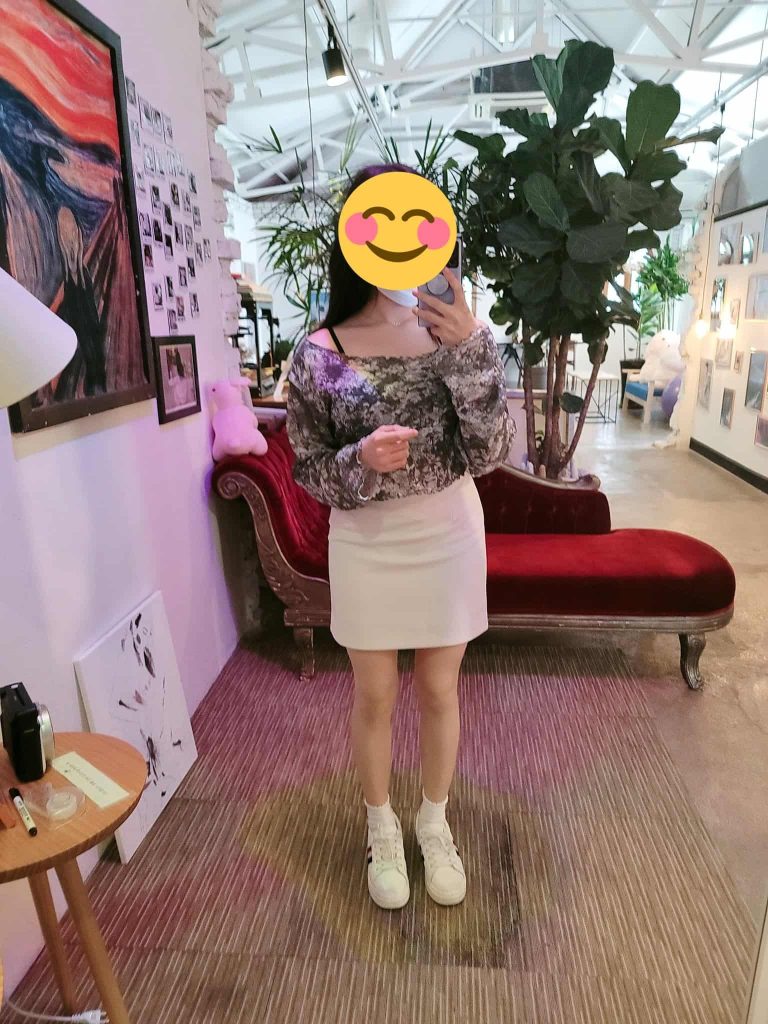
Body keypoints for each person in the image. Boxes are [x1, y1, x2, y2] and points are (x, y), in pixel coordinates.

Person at [286, 164, 513, 911]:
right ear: (353, 237)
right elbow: (308, 466)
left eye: (414, 220)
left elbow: (490, 452)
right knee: (376, 693)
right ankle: (380, 825)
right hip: (366, 542)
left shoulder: (457, 334)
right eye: (379, 220)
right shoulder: (320, 351)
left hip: (448, 532)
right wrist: (360, 460)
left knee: (441, 688)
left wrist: (469, 347)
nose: (398, 237)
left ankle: (433, 821)